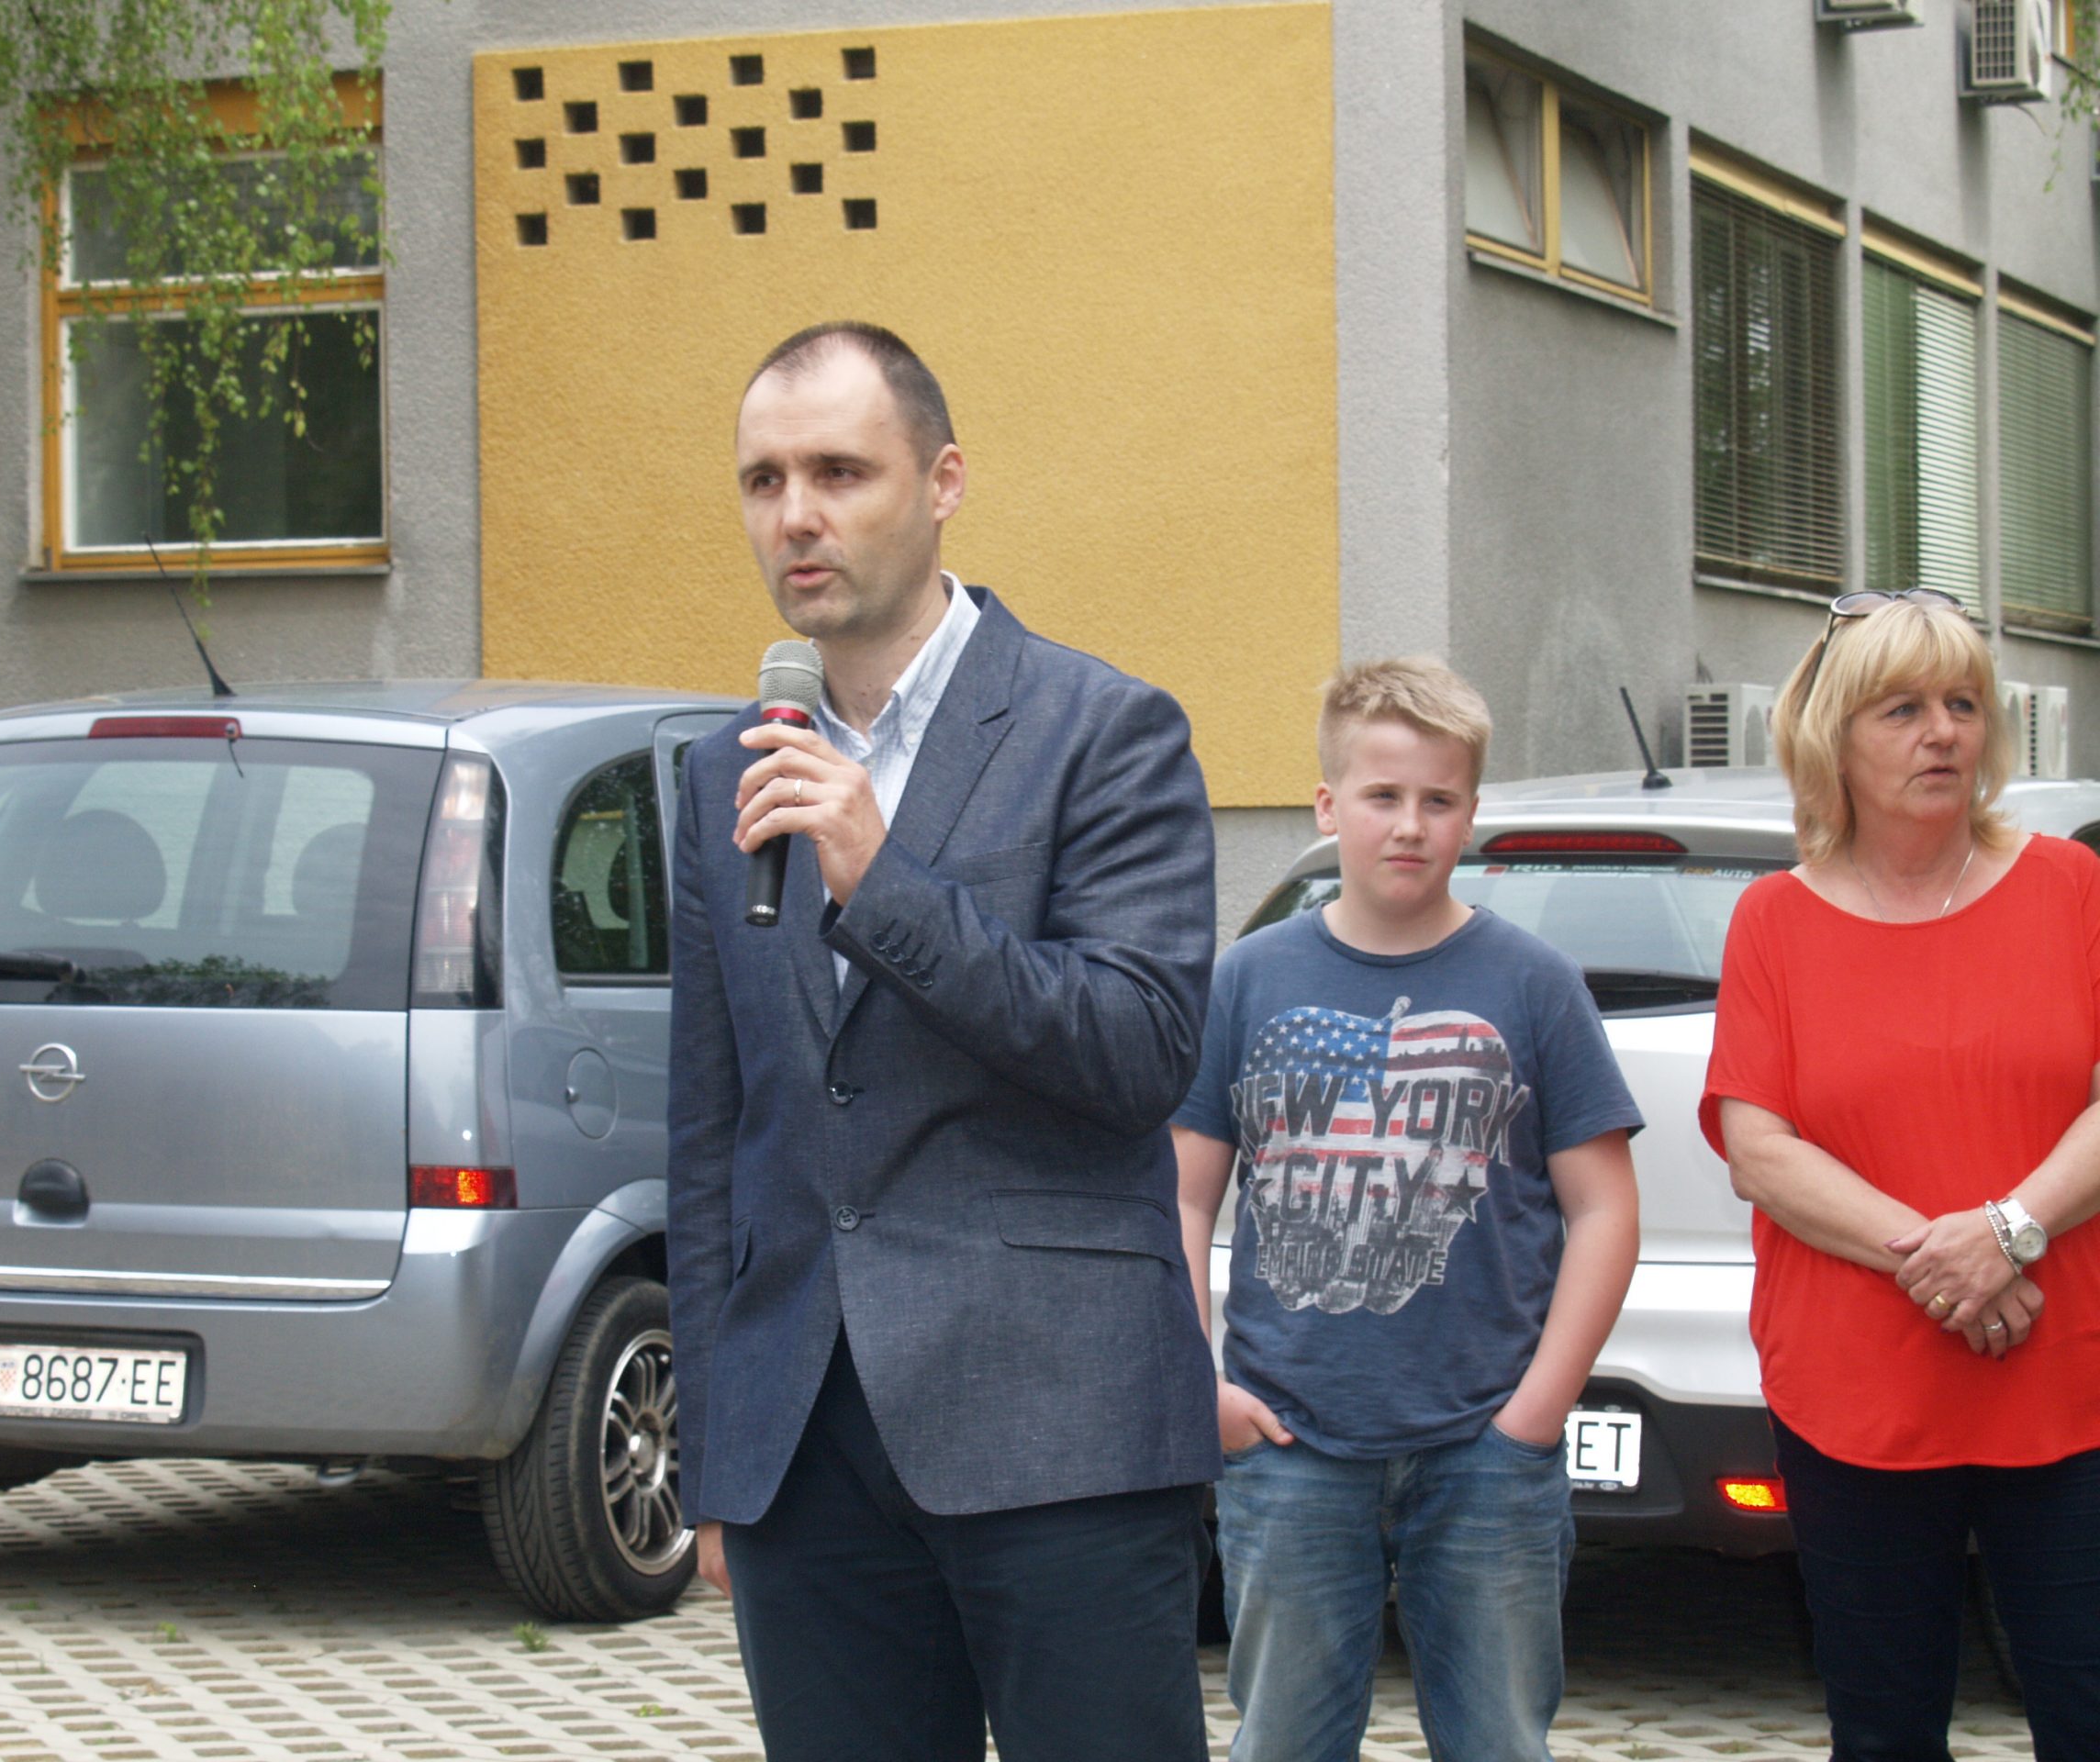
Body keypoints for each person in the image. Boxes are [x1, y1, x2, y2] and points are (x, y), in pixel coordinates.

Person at [665, 321, 1222, 1762]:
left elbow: (1141, 1051)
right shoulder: (725, 776)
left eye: (840, 472)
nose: (797, 515)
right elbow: (714, 1138)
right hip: (803, 1445)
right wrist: (718, 1451)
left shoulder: (1105, 729)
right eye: (764, 480)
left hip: (1060, 1426)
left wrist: (884, 883)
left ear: (944, 482)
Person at [1173, 657, 1642, 1762]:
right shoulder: (1248, 980)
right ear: (1327, 804)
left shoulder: (1533, 984)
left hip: (1486, 1451)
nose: (1410, 825)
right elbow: (1179, 1198)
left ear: (1471, 814)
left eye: (1439, 799)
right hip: (1287, 1442)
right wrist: (1202, 1386)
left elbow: (1604, 1211)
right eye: (1382, 795)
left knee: (1498, 1742)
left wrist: (1534, 1413)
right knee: (1282, 1742)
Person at [1701, 588, 2100, 1760]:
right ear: (1832, 736)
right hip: (1856, 1393)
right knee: (1882, 1731)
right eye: (1903, 709)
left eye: (1963, 704)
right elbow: (1759, 1148)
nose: (1942, 733)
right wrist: (1949, 1259)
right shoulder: (1772, 920)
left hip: (2065, 1380)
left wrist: (2007, 1231)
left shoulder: (2073, 888)